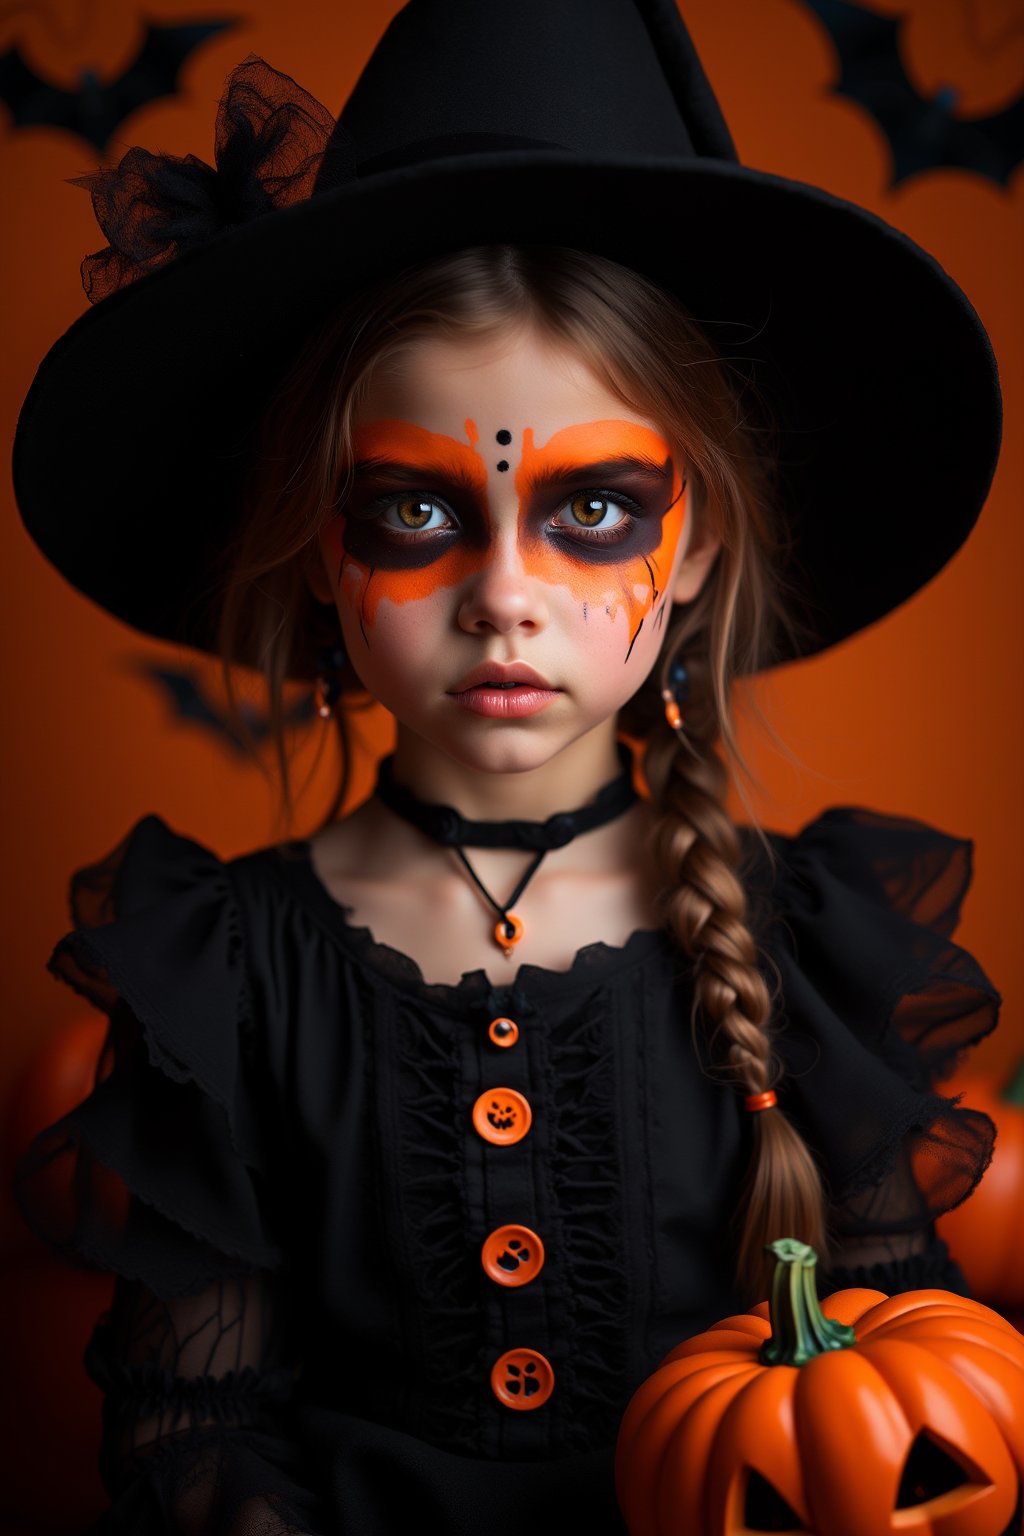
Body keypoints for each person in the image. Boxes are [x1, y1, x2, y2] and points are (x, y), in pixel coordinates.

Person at [10, 2, 1004, 1533]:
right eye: (415, 516)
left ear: (699, 547)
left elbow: (899, 1420)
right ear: (322, 556)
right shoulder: (226, 978)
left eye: (593, 511)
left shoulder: (812, 947)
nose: (505, 591)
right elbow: (193, 1442)